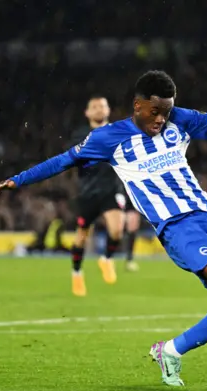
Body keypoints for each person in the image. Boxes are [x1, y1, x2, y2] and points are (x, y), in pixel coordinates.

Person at [0, 67, 207, 386]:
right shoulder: (109, 138)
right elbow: (63, 160)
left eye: (167, 111)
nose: (161, 119)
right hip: (175, 226)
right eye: (155, 112)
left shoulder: (179, 120)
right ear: (138, 106)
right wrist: (17, 181)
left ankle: (170, 352)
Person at [70, 96, 127, 296]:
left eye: (102, 105)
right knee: (82, 237)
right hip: (88, 192)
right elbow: (78, 158)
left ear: (108, 109)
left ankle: (107, 258)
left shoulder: (118, 131)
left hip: (112, 189)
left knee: (118, 229)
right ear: (87, 113)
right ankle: (76, 273)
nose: (99, 109)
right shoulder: (79, 134)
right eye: (94, 106)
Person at [123, 196, 142, 272]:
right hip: (118, 203)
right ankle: (108, 258)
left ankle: (129, 259)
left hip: (130, 205)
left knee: (132, 231)